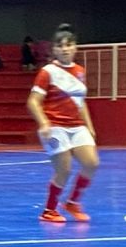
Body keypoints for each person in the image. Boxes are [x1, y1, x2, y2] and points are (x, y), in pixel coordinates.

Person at [27, 24, 99, 223]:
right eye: (61, 45)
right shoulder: (47, 72)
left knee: (91, 164)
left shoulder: (79, 71)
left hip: (77, 126)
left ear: (75, 48)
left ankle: (73, 202)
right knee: (64, 170)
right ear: (55, 49)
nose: (65, 49)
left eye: (69, 45)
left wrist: (89, 127)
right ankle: (49, 210)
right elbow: (33, 101)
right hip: (55, 126)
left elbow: (80, 102)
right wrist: (43, 123)